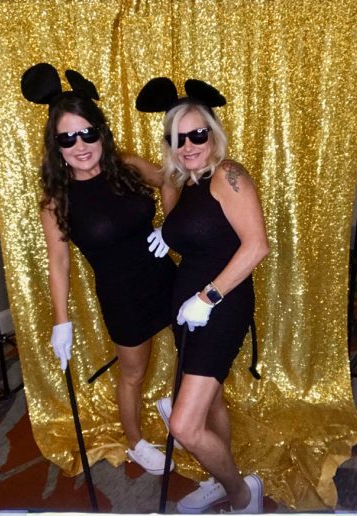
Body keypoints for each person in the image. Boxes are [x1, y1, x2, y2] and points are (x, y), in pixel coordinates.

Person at [21, 64, 176, 476]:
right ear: (56, 146)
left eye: (87, 133)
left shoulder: (126, 164)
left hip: (166, 277)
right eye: (67, 138)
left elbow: (169, 180)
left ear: (101, 133)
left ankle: (177, 408)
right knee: (133, 373)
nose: (80, 145)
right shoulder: (57, 200)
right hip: (123, 296)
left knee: (194, 352)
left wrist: (171, 227)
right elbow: (59, 262)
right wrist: (61, 322)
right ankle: (135, 442)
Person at [136, 78, 269, 513]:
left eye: (197, 134)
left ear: (213, 133)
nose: (189, 145)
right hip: (189, 312)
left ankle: (242, 494)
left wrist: (207, 298)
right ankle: (219, 479)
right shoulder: (189, 182)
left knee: (184, 425)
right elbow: (197, 227)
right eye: (178, 139)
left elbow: (257, 246)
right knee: (210, 405)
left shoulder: (229, 175)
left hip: (219, 308)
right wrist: (167, 230)